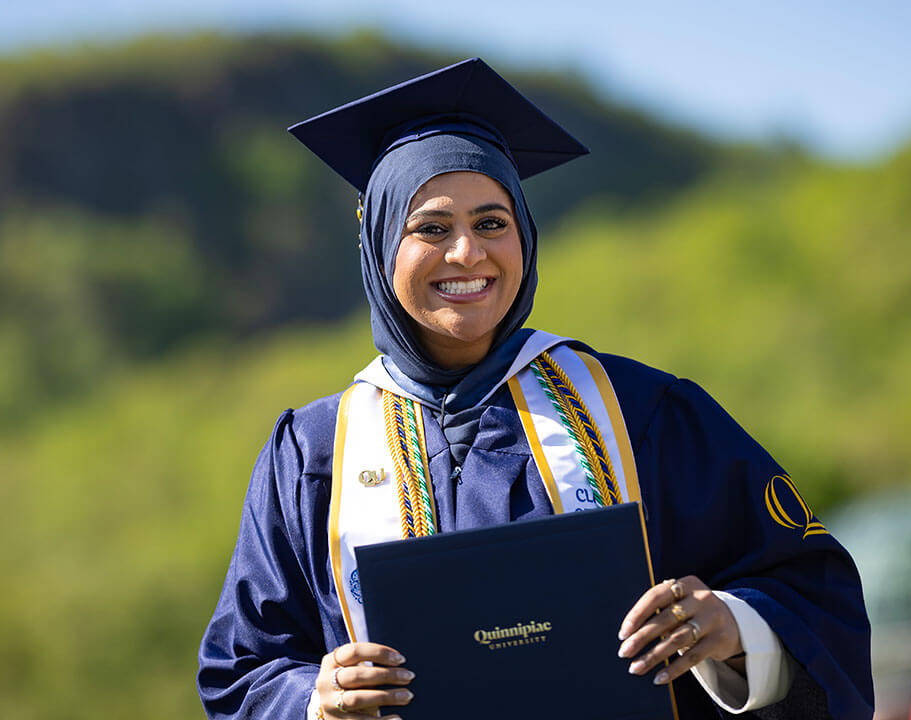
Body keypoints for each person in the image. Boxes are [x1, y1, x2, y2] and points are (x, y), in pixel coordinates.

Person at [197, 58, 873, 720]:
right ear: (379, 250)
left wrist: (732, 627)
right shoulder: (312, 454)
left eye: (492, 223)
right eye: (431, 228)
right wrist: (316, 700)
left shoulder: (641, 412)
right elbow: (241, 672)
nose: (467, 253)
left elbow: (816, 597)